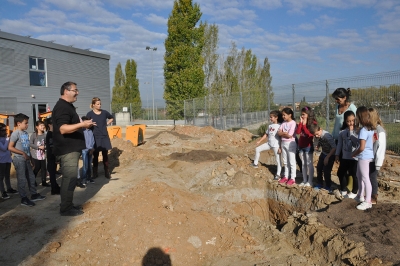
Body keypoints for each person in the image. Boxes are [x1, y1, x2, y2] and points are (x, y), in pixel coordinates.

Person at [52, 82, 96, 216]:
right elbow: (63, 128)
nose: (77, 92)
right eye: (75, 90)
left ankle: (67, 204)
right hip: (67, 150)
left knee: (70, 179)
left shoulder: (67, 106)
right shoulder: (62, 107)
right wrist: (82, 124)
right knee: (69, 178)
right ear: (66, 91)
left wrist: (83, 125)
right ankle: (65, 208)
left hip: (70, 149)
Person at [8, 113, 46, 206]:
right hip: (19, 159)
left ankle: (34, 194)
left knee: (31, 177)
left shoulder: (25, 133)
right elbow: (10, 147)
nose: (27, 125)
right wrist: (22, 153)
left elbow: (27, 147)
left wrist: (30, 158)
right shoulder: (15, 134)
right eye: (26, 123)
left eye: (27, 123)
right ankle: (23, 198)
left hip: (27, 159)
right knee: (22, 179)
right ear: (18, 123)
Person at [351, 106, 375, 210]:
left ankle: (367, 201)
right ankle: (360, 195)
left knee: (365, 178)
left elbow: (361, 147)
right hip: (368, 155)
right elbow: (372, 141)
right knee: (359, 175)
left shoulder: (363, 131)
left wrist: (354, 153)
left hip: (363, 156)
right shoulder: (369, 129)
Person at [250, 110, 283, 180]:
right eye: (270, 117)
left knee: (278, 160)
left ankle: (278, 174)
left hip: (276, 145)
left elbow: (281, 137)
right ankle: (255, 164)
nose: (270, 118)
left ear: (276, 117)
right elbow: (266, 134)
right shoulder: (270, 126)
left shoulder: (280, 126)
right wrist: (259, 141)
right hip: (269, 144)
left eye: (271, 117)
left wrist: (280, 147)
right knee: (257, 149)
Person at [86, 97, 113, 179]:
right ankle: (95, 172)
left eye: (100, 104)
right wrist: (90, 124)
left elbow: (111, 117)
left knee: (105, 155)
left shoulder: (104, 112)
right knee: (96, 155)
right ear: (93, 105)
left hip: (104, 136)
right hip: (95, 136)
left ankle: (106, 172)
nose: (99, 105)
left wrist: (107, 123)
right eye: (98, 104)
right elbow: (87, 123)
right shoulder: (89, 114)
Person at [335, 110, 359, 198]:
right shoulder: (342, 132)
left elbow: (356, 142)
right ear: (345, 121)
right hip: (345, 156)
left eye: (352, 120)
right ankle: (343, 189)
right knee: (341, 173)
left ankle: (355, 191)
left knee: (354, 174)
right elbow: (339, 144)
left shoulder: (358, 131)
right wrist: (337, 155)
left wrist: (352, 131)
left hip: (354, 157)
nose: (350, 123)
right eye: (348, 121)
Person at [309, 123, 336, 192]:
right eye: (315, 135)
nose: (317, 136)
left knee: (326, 171)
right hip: (323, 153)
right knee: (319, 168)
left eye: (317, 134)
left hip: (330, 155)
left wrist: (328, 157)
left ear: (320, 129)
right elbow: (321, 141)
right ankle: (320, 183)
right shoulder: (319, 136)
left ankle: (328, 186)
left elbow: (334, 147)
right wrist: (318, 146)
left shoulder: (327, 136)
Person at [368, 107, 386, 205]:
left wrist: (378, 163)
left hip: (375, 160)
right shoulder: (371, 129)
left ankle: (374, 196)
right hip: (369, 158)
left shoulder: (380, 131)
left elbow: (381, 148)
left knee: (372, 177)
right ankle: (368, 194)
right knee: (368, 176)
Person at [295, 106, 315, 187]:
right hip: (301, 146)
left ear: (308, 114)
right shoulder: (301, 122)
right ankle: (304, 180)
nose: (302, 116)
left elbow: (309, 134)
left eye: (304, 114)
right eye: (301, 114)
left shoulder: (313, 123)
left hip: (308, 146)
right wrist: (300, 123)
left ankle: (310, 181)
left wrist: (304, 125)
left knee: (309, 163)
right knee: (303, 163)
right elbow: (298, 132)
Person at [277, 107, 297, 186]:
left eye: (284, 115)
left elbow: (289, 135)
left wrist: (284, 133)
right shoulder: (283, 123)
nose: (283, 117)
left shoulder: (293, 123)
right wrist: (284, 133)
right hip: (283, 143)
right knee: (285, 161)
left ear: (290, 115)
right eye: (282, 115)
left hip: (290, 144)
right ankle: (286, 176)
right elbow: (279, 133)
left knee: (291, 161)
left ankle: (292, 178)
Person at [0, 123, 17, 199]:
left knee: (7, 176)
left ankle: (9, 188)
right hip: (1, 160)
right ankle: (3, 192)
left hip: (8, 159)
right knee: (1, 177)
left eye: (5, 130)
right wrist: (8, 140)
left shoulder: (6, 138)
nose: (5, 132)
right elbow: (3, 148)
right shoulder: (5, 139)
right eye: (2, 130)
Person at [30, 120, 50, 187]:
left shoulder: (45, 134)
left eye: (43, 125)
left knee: (44, 168)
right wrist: (38, 147)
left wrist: (45, 147)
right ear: (37, 127)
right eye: (41, 125)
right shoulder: (34, 135)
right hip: (35, 155)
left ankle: (44, 181)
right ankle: (32, 180)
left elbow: (47, 143)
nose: (43, 126)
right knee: (37, 168)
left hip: (43, 155)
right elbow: (30, 144)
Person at [45, 118, 61, 195]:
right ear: (49, 125)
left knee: (53, 173)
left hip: (53, 156)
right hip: (51, 156)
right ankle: (54, 189)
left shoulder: (53, 134)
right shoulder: (50, 134)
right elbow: (52, 147)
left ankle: (55, 187)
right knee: (52, 174)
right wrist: (56, 156)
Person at [81, 116, 95, 184]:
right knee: (85, 165)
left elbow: (92, 140)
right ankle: (84, 179)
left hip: (90, 150)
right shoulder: (82, 131)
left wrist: (92, 148)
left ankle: (89, 178)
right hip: (84, 150)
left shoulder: (90, 131)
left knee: (89, 165)